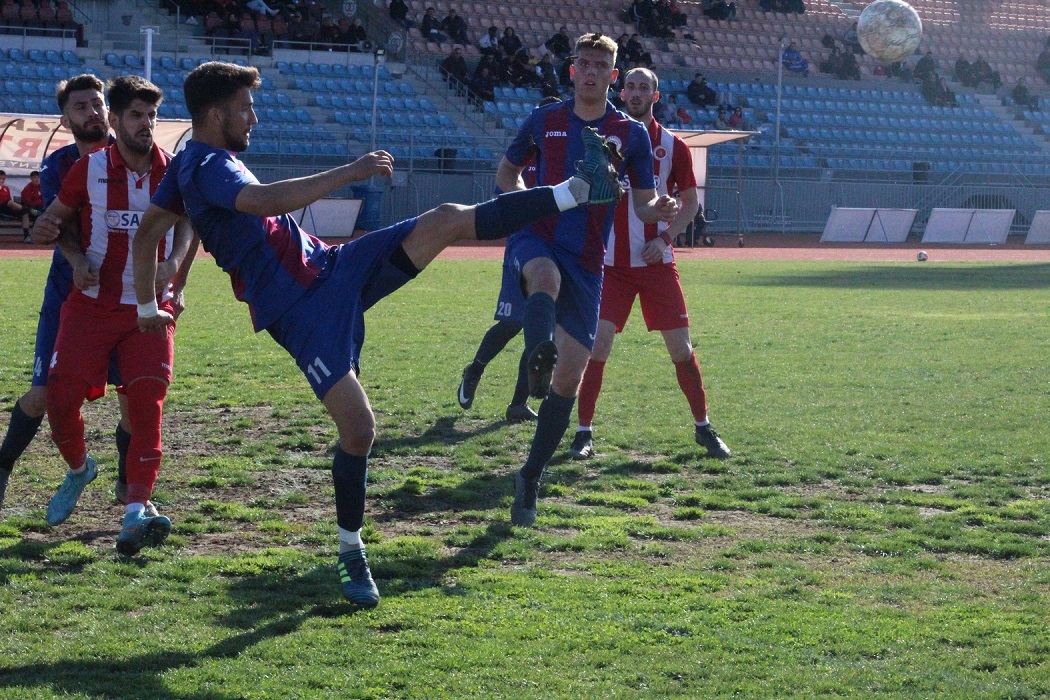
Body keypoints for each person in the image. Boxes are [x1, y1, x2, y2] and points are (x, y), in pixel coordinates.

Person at [130, 61, 624, 606]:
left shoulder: (188, 162)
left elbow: (150, 231)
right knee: (360, 430)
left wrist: (152, 300)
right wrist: (351, 171)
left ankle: (579, 188)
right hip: (299, 310)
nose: (254, 117)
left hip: (332, 267)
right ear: (217, 113)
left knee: (447, 216)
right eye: (246, 108)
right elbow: (263, 202)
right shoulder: (207, 164)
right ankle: (350, 550)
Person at [495, 33, 679, 527]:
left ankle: (530, 476)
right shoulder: (545, 118)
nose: (592, 71)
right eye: (585, 63)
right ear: (572, 70)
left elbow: (641, 203)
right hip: (538, 236)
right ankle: (537, 353)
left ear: (612, 76)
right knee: (543, 276)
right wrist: (523, 205)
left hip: (588, 260)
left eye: (602, 65)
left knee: (570, 380)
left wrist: (658, 208)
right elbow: (507, 173)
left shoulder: (630, 134)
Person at [1, 74, 184, 517]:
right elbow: (56, 221)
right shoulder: (64, 165)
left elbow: (185, 220)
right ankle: (8, 467)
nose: (92, 112)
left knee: (135, 401)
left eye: (97, 104)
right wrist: (65, 246)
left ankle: (130, 492)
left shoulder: (160, 164)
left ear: (110, 112)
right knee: (48, 393)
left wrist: (176, 274)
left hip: (137, 296)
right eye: (80, 107)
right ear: (66, 119)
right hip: (74, 292)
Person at [567, 67, 731, 463]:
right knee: (597, 348)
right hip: (609, 265)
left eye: (646, 88)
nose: (637, 93)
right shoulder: (601, 138)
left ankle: (703, 426)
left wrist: (665, 237)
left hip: (658, 264)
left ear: (656, 96)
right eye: (632, 87)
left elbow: (691, 203)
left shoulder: (674, 145)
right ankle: (583, 432)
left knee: (681, 349)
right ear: (622, 92)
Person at [458, 96, 563, 424]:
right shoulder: (522, 157)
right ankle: (475, 369)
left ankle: (519, 403)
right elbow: (505, 196)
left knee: (541, 328)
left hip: (557, 247)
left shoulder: (563, 157)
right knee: (512, 323)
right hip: (524, 244)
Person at [20, 170, 44, 243]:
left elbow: (45, 199)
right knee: (35, 213)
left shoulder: (43, 187)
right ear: (31, 179)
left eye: (38, 177)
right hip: (30, 209)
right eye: (34, 177)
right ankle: (28, 236)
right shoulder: (27, 189)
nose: (37, 179)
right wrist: (39, 202)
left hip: (40, 208)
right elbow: (28, 202)